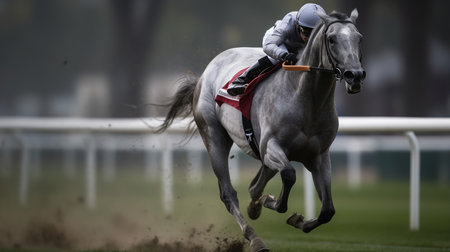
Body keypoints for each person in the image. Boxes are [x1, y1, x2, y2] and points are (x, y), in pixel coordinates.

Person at [227, 3, 326, 96]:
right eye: (307, 32)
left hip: (296, 47)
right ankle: (240, 80)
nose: (310, 38)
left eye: (315, 33)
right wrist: (283, 55)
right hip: (276, 41)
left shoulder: (326, 31)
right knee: (276, 59)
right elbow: (268, 45)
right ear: (298, 26)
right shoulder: (289, 22)